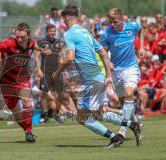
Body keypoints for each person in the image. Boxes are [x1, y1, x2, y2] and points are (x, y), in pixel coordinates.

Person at [52, 5, 141, 148]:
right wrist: (108, 75)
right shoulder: (86, 32)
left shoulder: (69, 34)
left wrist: (57, 72)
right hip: (99, 76)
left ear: (66, 18)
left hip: (91, 79)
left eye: (63, 18)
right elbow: (104, 53)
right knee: (99, 114)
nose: (63, 21)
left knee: (82, 117)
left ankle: (116, 136)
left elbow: (69, 57)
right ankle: (131, 124)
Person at [0, 23, 42, 143]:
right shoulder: (10, 43)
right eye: (17, 36)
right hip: (6, 81)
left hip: (22, 79)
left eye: (22, 37)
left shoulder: (31, 43)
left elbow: (36, 48)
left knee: (26, 101)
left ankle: (29, 131)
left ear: (28, 35)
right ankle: (28, 131)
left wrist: (40, 67)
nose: (19, 39)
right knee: (16, 113)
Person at [100, 8, 145, 142]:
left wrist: (142, 47)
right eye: (110, 22)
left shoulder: (132, 26)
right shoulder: (107, 33)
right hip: (116, 71)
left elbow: (141, 29)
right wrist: (108, 63)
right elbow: (101, 51)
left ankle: (123, 130)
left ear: (122, 18)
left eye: (115, 22)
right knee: (122, 100)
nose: (112, 24)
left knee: (129, 94)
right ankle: (135, 122)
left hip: (131, 67)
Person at [36, 23, 65, 123]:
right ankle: (45, 115)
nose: (52, 33)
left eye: (54, 31)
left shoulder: (59, 43)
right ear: (47, 32)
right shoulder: (41, 42)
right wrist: (39, 70)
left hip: (56, 71)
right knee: (44, 93)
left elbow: (61, 57)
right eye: (50, 31)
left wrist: (62, 69)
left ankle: (55, 113)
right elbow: (37, 56)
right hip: (45, 71)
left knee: (60, 94)